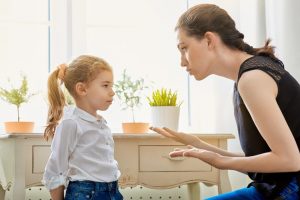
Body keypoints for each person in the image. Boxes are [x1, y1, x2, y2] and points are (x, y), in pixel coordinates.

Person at [150, 3, 300, 200]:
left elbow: (289, 161)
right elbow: (267, 164)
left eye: (184, 48)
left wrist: (222, 161)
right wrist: (199, 144)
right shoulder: (248, 75)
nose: (182, 61)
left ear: (209, 40)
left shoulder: (252, 78)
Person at [42, 55, 123, 200]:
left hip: (112, 192)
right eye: (105, 85)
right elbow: (55, 169)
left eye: (112, 86)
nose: (112, 92)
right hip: (86, 194)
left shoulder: (100, 123)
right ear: (82, 89)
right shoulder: (71, 123)